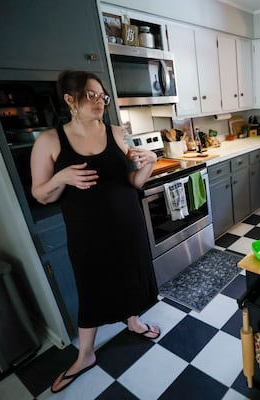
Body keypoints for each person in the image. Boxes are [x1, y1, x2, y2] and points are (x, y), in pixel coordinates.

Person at [30, 70, 160, 393]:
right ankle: (85, 355)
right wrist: (62, 179)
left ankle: (133, 321)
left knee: (131, 275)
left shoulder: (119, 132)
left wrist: (151, 162)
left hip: (128, 225)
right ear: (69, 99)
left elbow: (133, 183)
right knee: (91, 289)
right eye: (91, 95)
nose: (100, 101)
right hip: (88, 234)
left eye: (102, 95)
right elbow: (40, 193)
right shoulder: (49, 141)